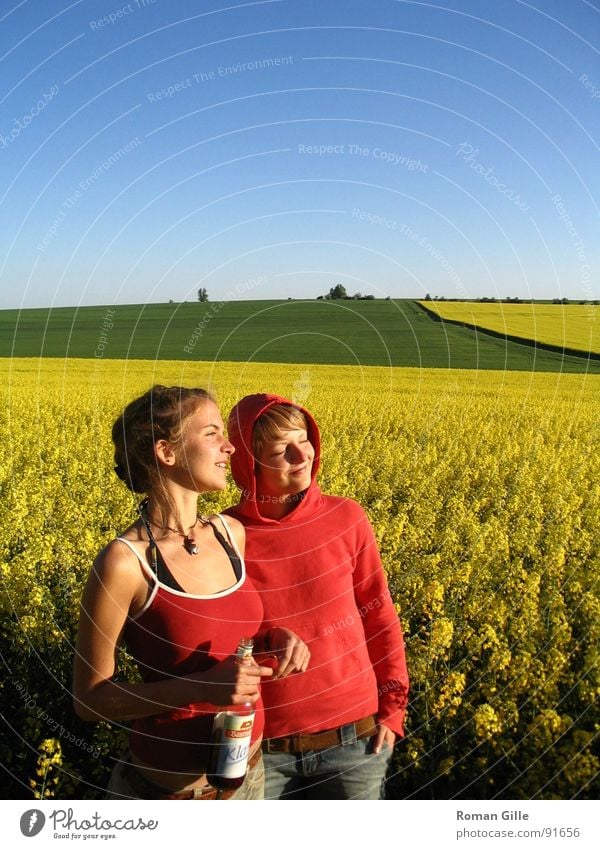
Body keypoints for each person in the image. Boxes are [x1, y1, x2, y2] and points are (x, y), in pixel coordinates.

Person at [73, 385, 279, 799]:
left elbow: (231, 632)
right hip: (173, 798)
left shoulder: (230, 533)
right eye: (211, 434)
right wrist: (201, 689)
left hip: (252, 775)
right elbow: (89, 701)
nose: (230, 447)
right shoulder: (125, 562)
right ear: (167, 453)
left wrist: (276, 639)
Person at [226, 393, 409, 800]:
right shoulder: (226, 535)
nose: (300, 454)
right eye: (280, 449)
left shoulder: (347, 518)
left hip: (355, 742)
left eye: (304, 439)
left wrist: (392, 708)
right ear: (248, 462)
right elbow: (213, 636)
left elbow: (378, 616)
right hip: (261, 751)